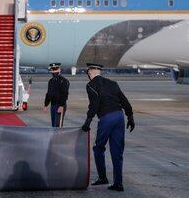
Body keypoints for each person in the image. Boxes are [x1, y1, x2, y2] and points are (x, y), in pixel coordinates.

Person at [81, 63, 135, 192]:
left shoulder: (91, 85)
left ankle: (102, 177)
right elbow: (124, 101)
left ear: (90, 73)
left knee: (98, 148)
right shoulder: (113, 83)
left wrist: (87, 122)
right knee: (117, 151)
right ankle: (118, 183)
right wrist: (130, 116)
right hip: (119, 116)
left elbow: (94, 105)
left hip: (107, 118)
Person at [43, 63, 69, 127]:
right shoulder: (51, 81)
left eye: (55, 69)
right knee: (53, 124)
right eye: (53, 70)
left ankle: (58, 137)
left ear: (59, 70)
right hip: (53, 105)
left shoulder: (64, 81)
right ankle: (55, 136)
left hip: (59, 105)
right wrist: (46, 105)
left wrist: (61, 106)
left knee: (58, 125)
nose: (54, 71)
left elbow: (65, 94)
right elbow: (49, 94)